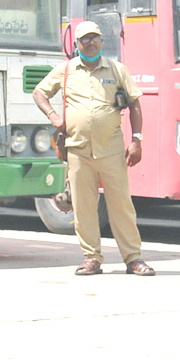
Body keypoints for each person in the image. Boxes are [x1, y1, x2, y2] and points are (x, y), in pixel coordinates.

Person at [32, 21, 154, 276]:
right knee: (84, 206)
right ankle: (91, 258)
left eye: (94, 38)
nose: (90, 42)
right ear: (77, 44)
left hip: (111, 150)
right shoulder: (65, 70)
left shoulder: (116, 69)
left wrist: (137, 140)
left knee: (121, 205)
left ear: (101, 41)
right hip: (78, 150)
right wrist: (54, 116)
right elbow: (39, 93)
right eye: (85, 39)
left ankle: (133, 259)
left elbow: (135, 104)